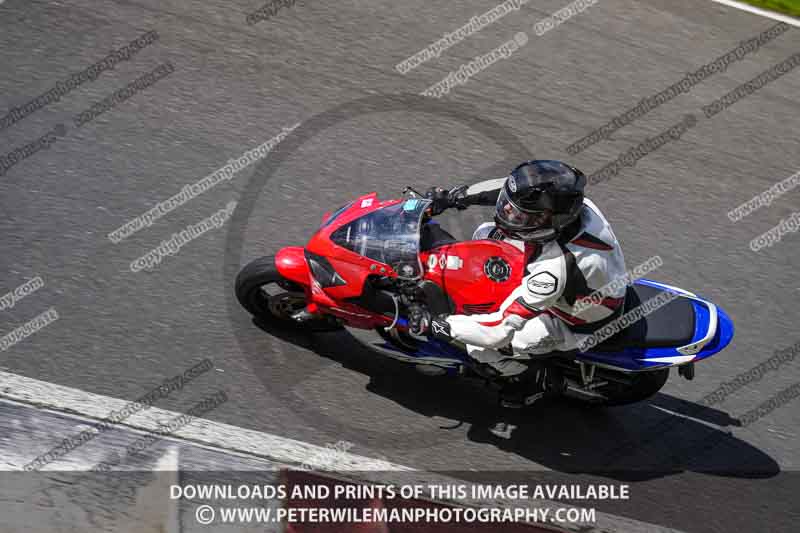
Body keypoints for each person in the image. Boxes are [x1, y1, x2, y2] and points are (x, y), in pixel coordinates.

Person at [409, 160, 628, 408]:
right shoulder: (577, 206)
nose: (507, 213)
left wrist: (437, 325)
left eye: (520, 215)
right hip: (591, 285)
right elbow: (506, 190)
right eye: (509, 207)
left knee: (478, 347)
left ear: (550, 220)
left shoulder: (553, 269)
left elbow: (497, 331)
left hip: (575, 322)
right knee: (485, 235)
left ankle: (531, 382)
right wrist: (453, 197)